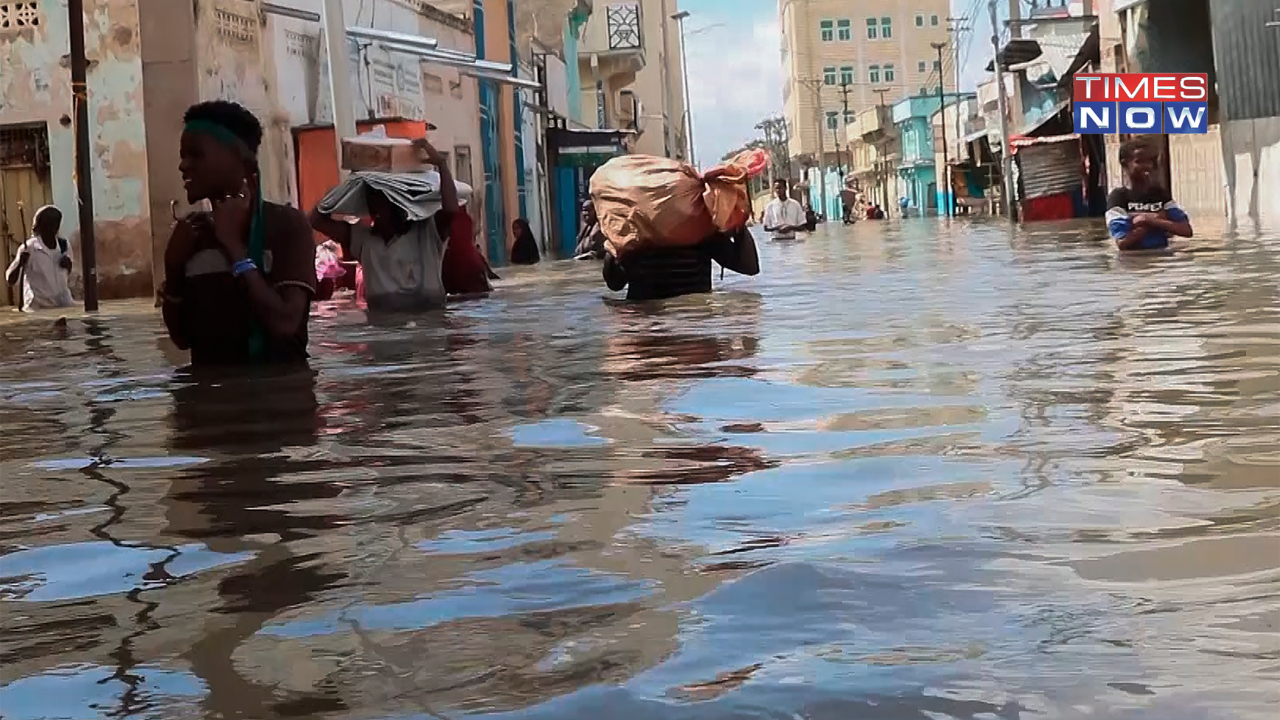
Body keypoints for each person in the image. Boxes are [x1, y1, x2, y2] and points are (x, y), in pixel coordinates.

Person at [159, 101, 317, 367]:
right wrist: (172, 267)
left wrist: (234, 248)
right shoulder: (193, 235)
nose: (183, 166)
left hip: (279, 400)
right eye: (183, 156)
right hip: (211, 404)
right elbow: (182, 339)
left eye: (196, 155)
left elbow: (285, 323)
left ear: (240, 160)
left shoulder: (286, 225)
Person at [309, 137, 460, 311]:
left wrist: (441, 164)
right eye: (371, 200)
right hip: (383, 326)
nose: (374, 208)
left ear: (397, 204)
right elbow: (316, 220)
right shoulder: (364, 239)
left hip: (429, 325)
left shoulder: (426, 233)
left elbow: (450, 210)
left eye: (380, 201)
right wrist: (346, 187)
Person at [602, 225, 759, 302]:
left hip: (644, 327)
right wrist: (738, 222)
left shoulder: (634, 231)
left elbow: (615, 284)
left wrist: (613, 243)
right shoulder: (700, 229)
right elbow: (749, 266)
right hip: (695, 326)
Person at [1106, 138, 1194, 252]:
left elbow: (1186, 231)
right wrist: (1160, 219)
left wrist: (1149, 220)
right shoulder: (1118, 197)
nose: (1147, 166)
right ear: (1125, 164)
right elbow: (1123, 242)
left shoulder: (1160, 195)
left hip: (1162, 259)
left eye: (1150, 161)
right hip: (1133, 261)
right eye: (1139, 161)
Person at [6, 205, 75, 311]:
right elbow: (10, 281)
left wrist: (68, 265)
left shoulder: (64, 245)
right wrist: (20, 263)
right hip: (38, 308)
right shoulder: (29, 248)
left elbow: (67, 274)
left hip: (64, 304)